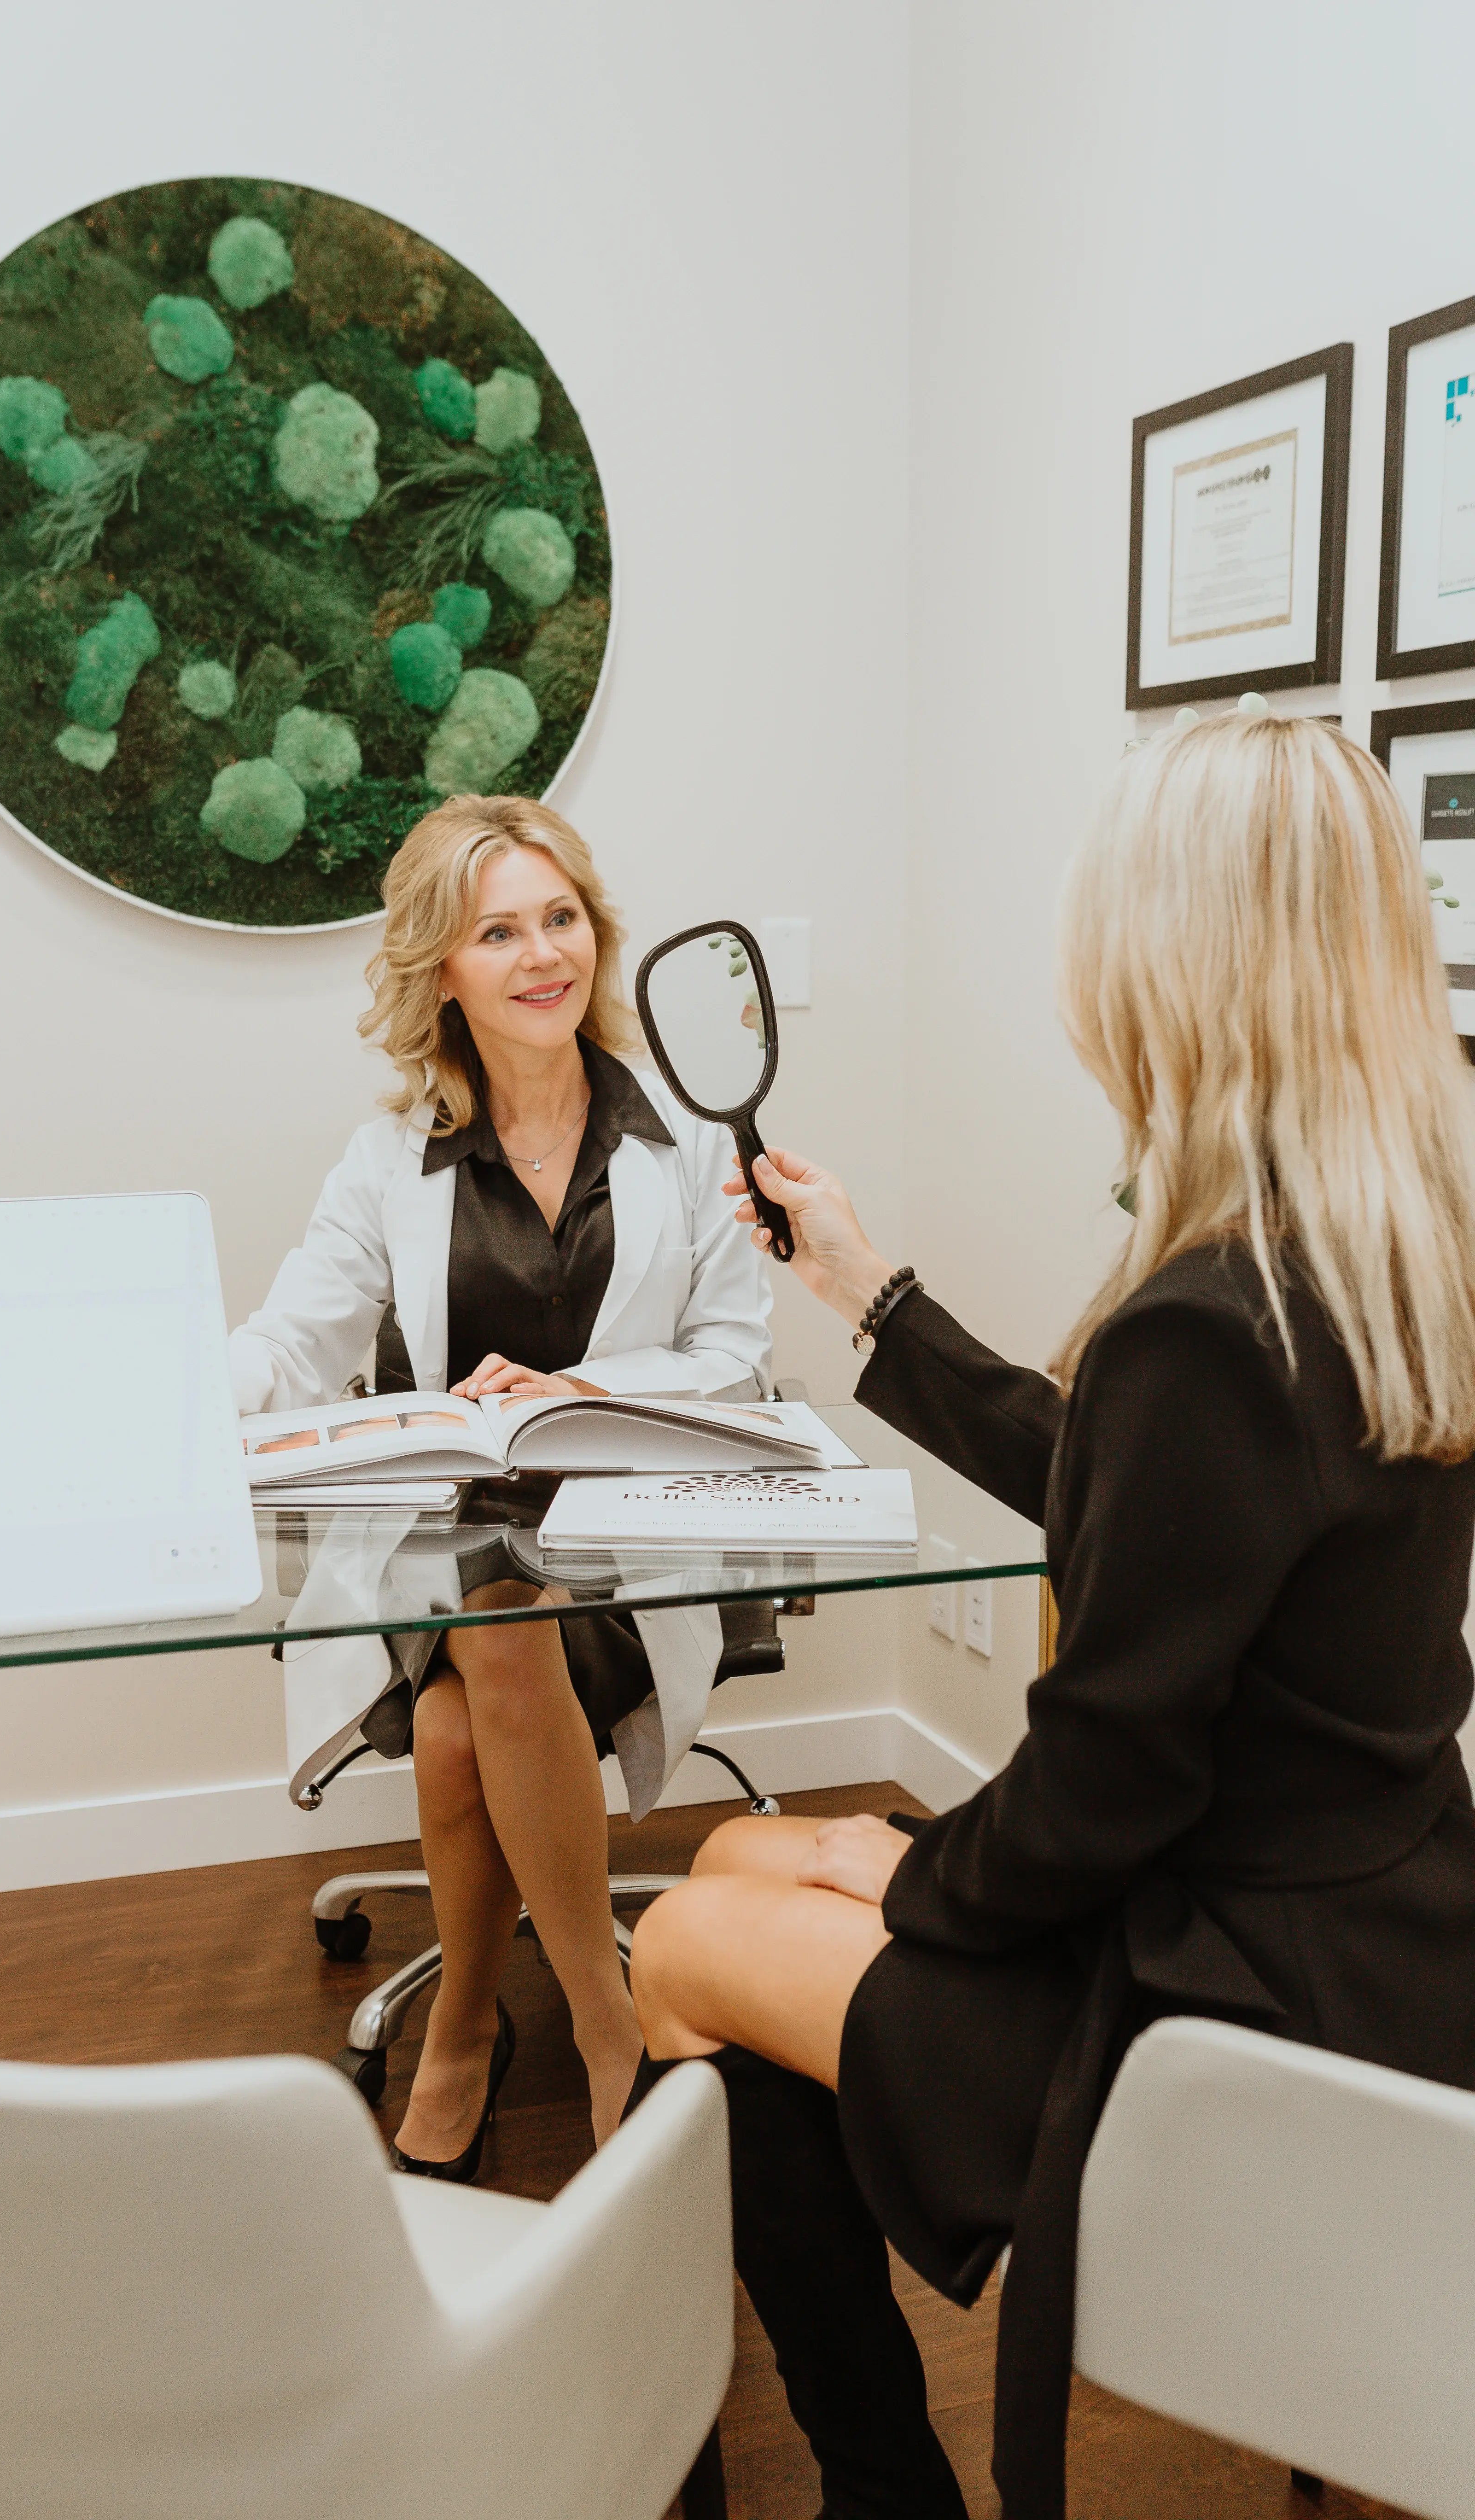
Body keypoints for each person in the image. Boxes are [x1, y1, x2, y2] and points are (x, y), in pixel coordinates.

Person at [628, 712, 1475, 2520]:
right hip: (1391, 1945)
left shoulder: (1202, 1312)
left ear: (1170, 958)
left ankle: (875, 2485)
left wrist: (909, 1877)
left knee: (688, 1945)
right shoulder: (1397, 1246)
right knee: (744, 1879)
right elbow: (1161, 1502)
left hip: (1209, 2004)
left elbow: (1109, 1780)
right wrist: (877, 1299)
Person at [231, 794, 770, 2175]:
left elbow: (736, 1361)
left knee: (476, 1707)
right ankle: (613, 2021)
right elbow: (298, 1342)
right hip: (435, 1540)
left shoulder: (690, 1141)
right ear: (443, 970)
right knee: (490, 1626)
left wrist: (584, 1392)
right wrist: (162, 1407)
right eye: (499, 931)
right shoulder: (387, 1158)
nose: (545, 956)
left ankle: (474, 2020)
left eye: (562, 918)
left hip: (620, 1543)